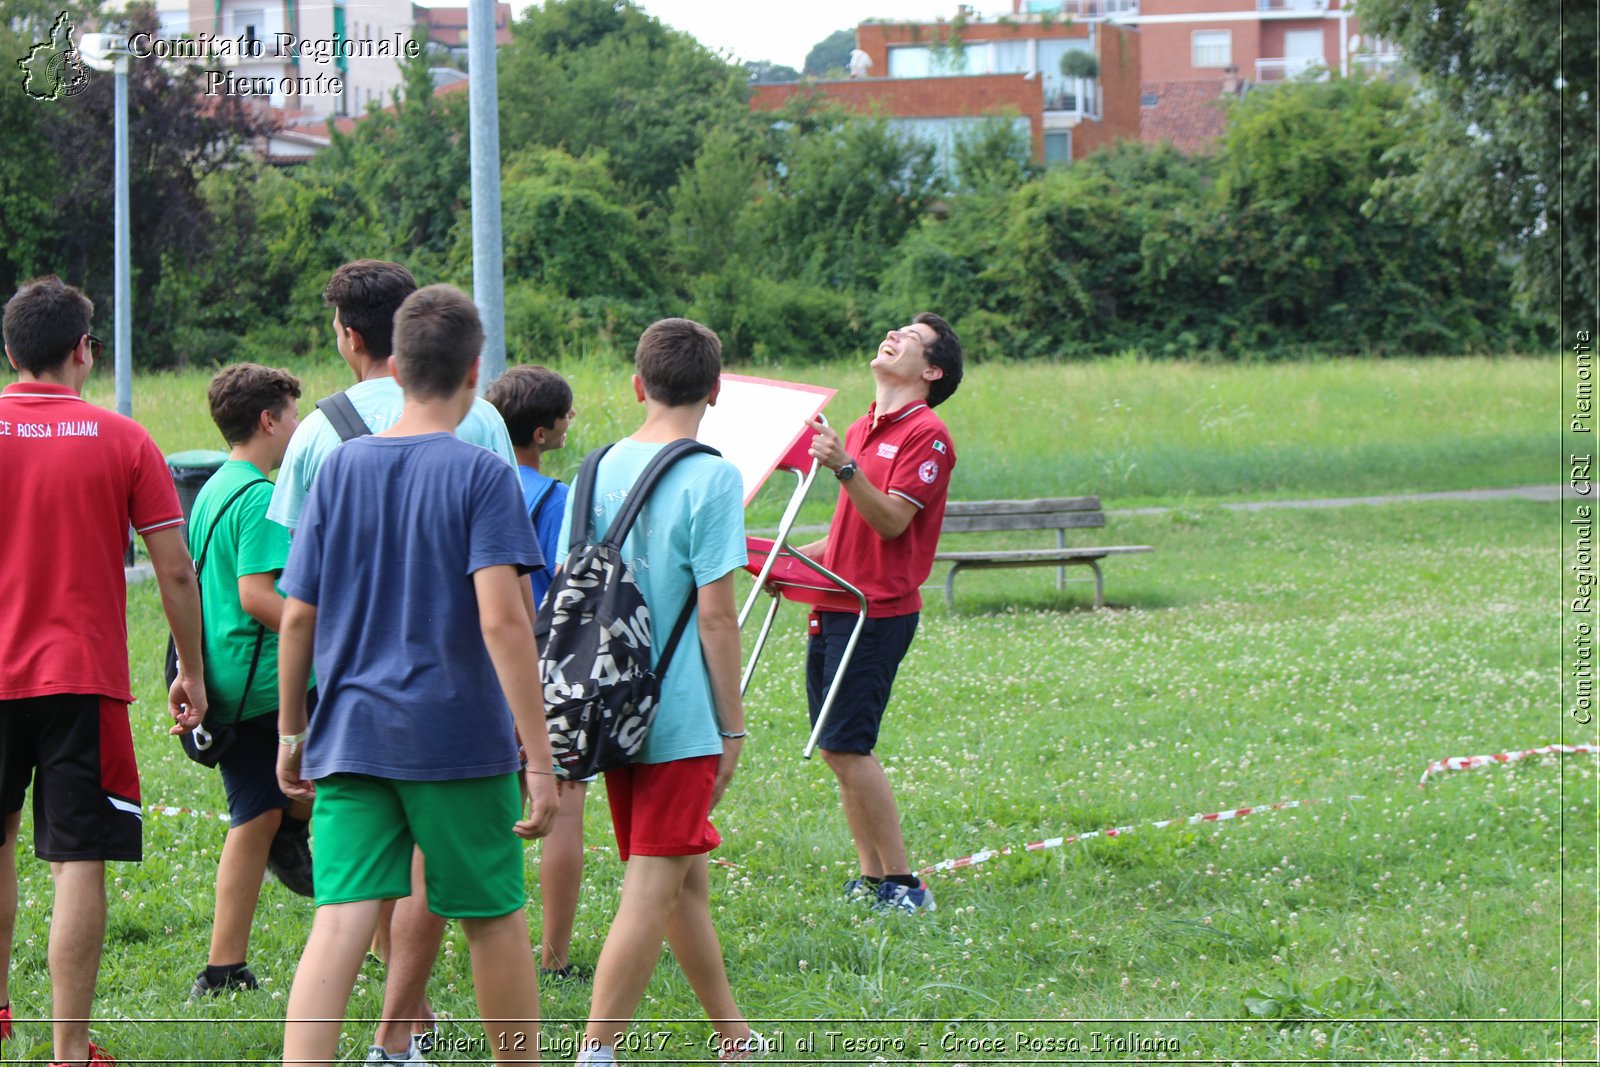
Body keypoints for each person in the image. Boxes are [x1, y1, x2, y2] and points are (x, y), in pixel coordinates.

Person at [275, 284, 558, 1067]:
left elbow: (298, 616)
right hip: (459, 739)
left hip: (351, 733)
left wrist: (292, 732)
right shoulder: (483, 473)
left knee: (338, 918)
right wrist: (538, 755)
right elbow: (505, 621)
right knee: (493, 917)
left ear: (394, 367)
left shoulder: (338, 468)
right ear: (475, 371)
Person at [0, 276, 208, 1067]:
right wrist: (189, 668)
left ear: (11, 352)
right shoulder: (123, 439)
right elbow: (176, 572)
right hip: (79, 678)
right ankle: (67, 1049)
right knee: (76, 857)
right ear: (84, 351)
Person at [565, 318, 763, 1065]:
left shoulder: (592, 468)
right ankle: (597, 1050)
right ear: (717, 390)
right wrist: (732, 727)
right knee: (654, 883)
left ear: (637, 384)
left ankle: (732, 1036)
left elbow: (570, 592)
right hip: (677, 716)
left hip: (606, 706)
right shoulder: (713, 475)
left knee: (682, 880)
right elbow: (717, 614)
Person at [797, 313, 963, 913]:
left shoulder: (928, 434)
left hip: (877, 610)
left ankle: (903, 883)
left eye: (911, 341)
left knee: (849, 744)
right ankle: (870, 880)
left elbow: (892, 519)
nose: (893, 337)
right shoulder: (862, 425)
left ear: (931, 370)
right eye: (895, 331)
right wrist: (783, 560)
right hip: (833, 603)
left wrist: (844, 468)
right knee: (836, 748)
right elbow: (847, 534)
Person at [187, 364, 316, 1001]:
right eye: (294, 414)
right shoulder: (261, 496)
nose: (299, 425)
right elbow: (258, 596)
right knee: (318, 803)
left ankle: (224, 966)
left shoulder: (215, 486)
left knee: (261, 813)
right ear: (269, 420)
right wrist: (325, 624)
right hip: (268, 685)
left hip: (227, 679)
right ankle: (222, 967)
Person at [485, 366, 590, 981]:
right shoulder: (556, 499)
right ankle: (552, 956)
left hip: (478, 667)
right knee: (563, 810)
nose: (570, 423)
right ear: (544, 431)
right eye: (567, 415)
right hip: (544, 663)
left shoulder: (470, 481)